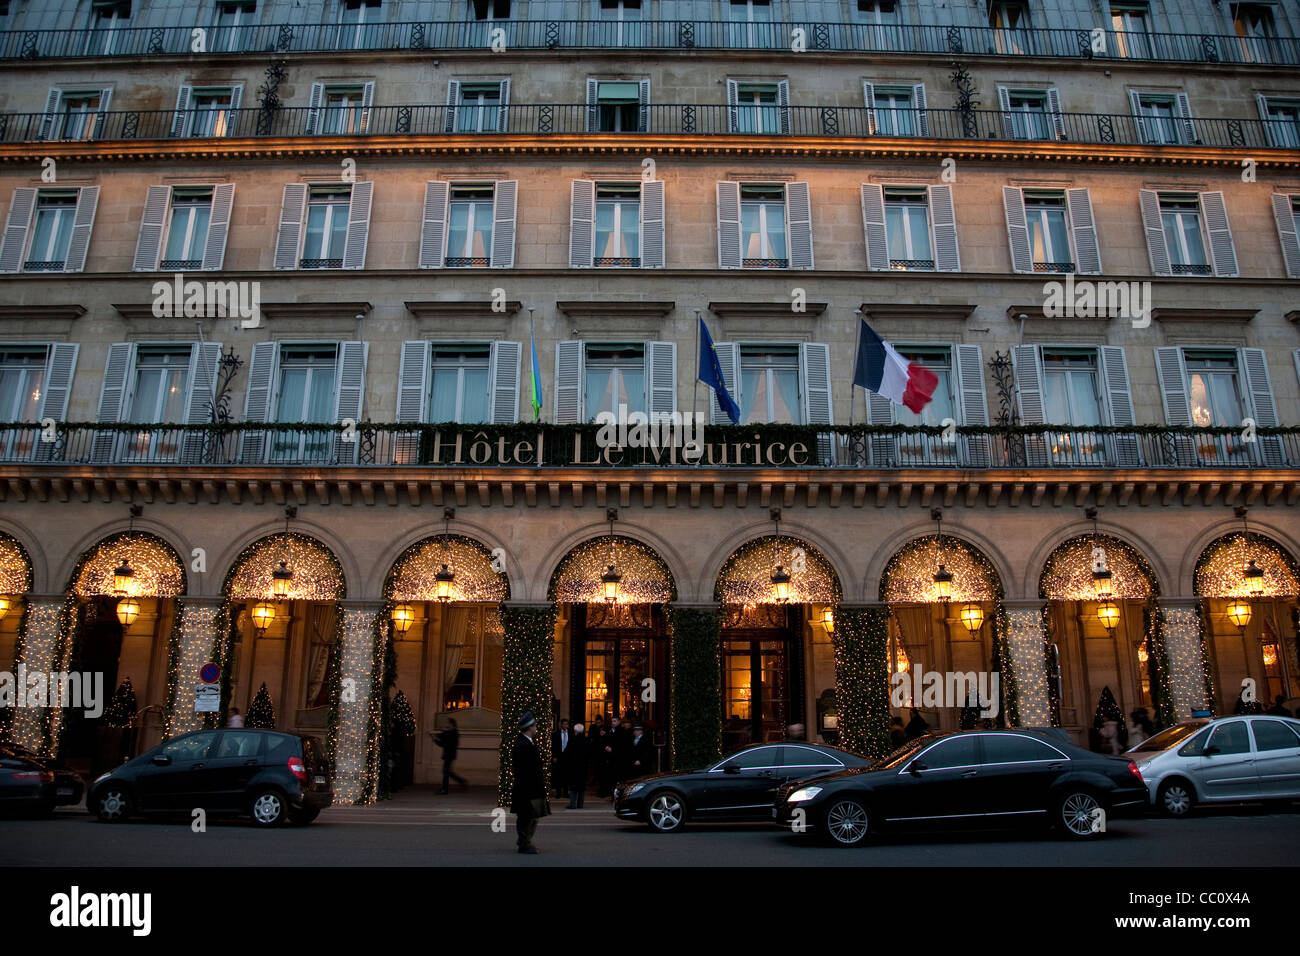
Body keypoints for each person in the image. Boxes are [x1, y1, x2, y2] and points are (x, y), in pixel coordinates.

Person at [510, 711, 548, 854]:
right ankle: (525, 843)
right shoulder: (523, 745)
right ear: (529, 727)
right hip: (528, 788)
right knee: (527, 817)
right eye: (534, 725)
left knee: (532, 816)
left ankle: (524, 840)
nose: (536, 727)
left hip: (532, 787)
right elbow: (525, 769)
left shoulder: (527, 742)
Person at [435, 717, 467, 794]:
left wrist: (438, 739)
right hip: (448, 754)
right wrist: (443, 732)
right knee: (447, 772)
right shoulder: (449, 732)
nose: (446, 724)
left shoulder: (453, 733)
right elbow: (441, 739)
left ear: (451, 724)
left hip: (450, 754)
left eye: (447, 723)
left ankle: (445, 789)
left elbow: (445, 743)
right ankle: (461, 781)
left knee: (446, 772)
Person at [565, 722, 588, 809]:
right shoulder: (586, 740)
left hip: (573, 766)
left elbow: (567, 753)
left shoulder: (572, 740)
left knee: (573, 786)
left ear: (575, 731)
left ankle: (572, 804)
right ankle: (580, 804)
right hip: (583, 766)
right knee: (581, 786)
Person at [552, 718, 570, 798]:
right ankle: (558, 792)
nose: (566, 725)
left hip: (567, 757)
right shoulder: (556, 734)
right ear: (561, 725)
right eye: (564, 724)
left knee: (566, 775)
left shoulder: (571, 733)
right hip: (559, 756)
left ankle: (566, 792)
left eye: (567, 724)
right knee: (558, 775)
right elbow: (553, 746)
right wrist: (554, 756)